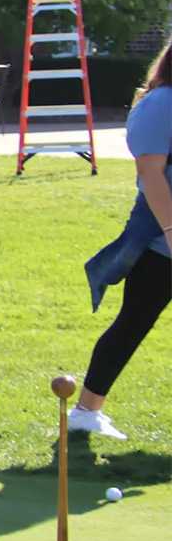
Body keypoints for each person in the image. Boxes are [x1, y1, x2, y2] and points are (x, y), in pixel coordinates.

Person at [78, 40, 172, 440]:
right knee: (133, 322)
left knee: (133, 321)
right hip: (161, 242)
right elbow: (151, 173)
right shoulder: (162, 103)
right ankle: (85, 411)